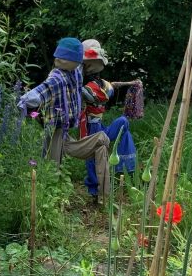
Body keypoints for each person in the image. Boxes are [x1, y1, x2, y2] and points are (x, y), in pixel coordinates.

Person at [18, 37, 112, 204]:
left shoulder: (75, 71)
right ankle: (47, 206)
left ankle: (104, 196)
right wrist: (23, 104)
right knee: (52, 171)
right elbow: (39, 93)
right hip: (55, 131)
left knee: (101, 142)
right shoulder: (58, 77)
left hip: (66, 131)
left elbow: (88, 62)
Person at [78, 39, 142, 199]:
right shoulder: (97, 87)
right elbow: (112, 86)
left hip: (98, 127)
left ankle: (121, 166)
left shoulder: (97, 86)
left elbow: (113, 85)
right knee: (93, 158)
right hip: (92, 129)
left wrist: (131, 83)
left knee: (123, 121)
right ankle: (95, 191)